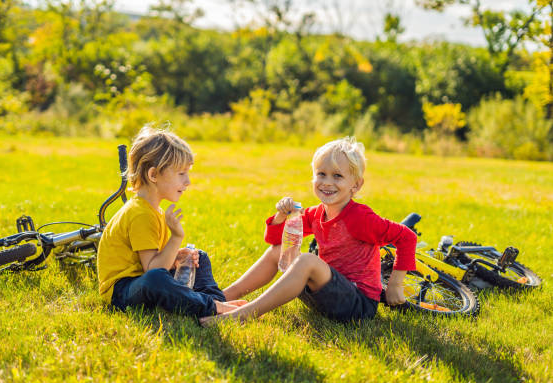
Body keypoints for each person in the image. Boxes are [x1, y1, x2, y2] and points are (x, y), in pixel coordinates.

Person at [200, 137, 416, 326]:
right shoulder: (316, 213)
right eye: (321, 174)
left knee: (307, 261)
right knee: (280, 251)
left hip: (358, 306)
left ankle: (244, 314)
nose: (327, 182)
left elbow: (407, 237)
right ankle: (218, 299)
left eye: (337, 176)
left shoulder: (360, 218)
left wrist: (395, 284)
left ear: (356, 185)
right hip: (326, 296)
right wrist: (280, 217)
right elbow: (275, 242)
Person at [97, 126, 243, 318]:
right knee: (157, 278)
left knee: (198, 256)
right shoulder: (140, 214)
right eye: (181, 173)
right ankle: (212, 307)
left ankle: (213, 304)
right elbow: (154, 270)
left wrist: (176, 257)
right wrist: (176, 237)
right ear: (154, 175)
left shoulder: (153, 210)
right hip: (123, 293)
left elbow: (158, 259)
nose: (188, 181)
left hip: (143, 279)